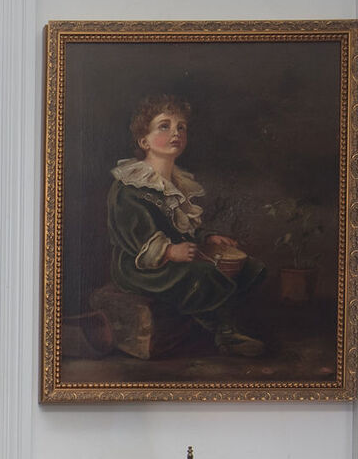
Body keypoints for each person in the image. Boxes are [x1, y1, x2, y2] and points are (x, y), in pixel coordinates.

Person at [101, 93, 264, 358]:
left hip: (175, 256)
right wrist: (168, 251)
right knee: (204, 273)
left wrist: (207, 237)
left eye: (181, 127)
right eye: (164, 126)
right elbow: (133, 238)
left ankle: (227, 323)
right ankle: (224, 333)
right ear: (144, 141)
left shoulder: (176, 182)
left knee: (248, 267)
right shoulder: (129, 187)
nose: (175, 132)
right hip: (139, 266)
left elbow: (183, 226)